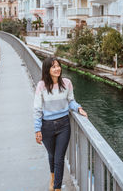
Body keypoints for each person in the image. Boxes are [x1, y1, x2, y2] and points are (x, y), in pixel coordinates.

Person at [33, 57, 87, 191]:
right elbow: (37, 109)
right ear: (47, 70)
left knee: (59, 158)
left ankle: (57, 188)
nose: (57, 69)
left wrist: (79, 108)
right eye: (53, 67)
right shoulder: (42, 86)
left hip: (64, 125)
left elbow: (71, 101)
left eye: (58, 66)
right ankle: (53, 179)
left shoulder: (67, 83)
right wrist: (37, 129)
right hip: (47, 127)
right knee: (52, 156)